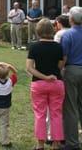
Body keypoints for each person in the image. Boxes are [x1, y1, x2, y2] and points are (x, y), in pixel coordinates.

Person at [26, 18, 65, 150]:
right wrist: (51, 76)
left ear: (38, 31)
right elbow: (61, 64)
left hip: (39, 84)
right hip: (56, 82)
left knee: (40, 114)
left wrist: (44, 77)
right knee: (56, 114)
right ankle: (56, 144)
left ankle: (40, 144)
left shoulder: (34, 46)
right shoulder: (59, 47)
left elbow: (30, 68)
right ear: (52, 30)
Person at [61, 6, 82, 150]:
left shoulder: (67, 35)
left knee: (71, 107)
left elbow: (64, 57)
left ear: (71, 19)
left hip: (71, 70)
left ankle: (72, 142)